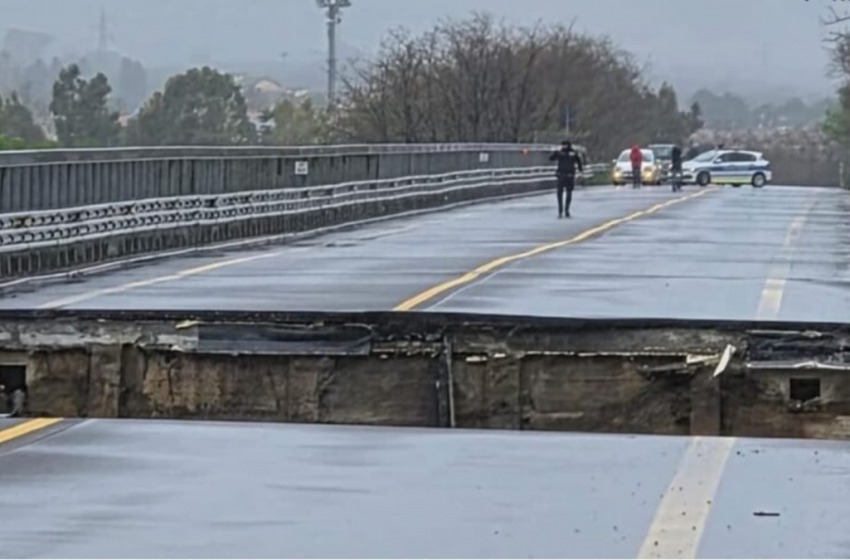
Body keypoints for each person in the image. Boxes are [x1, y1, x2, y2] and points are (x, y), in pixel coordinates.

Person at [548, 140, 584, 218]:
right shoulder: (562, 153)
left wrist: (580, 171)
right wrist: (555, 152)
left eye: (565, 145)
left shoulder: (572, 153)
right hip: (562, 175)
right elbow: (551, 158)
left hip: (568, 175)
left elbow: (579, 162)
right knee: (561, 193)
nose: (564, 147)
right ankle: (561, 210)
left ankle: (566, 210)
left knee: (568, 193)